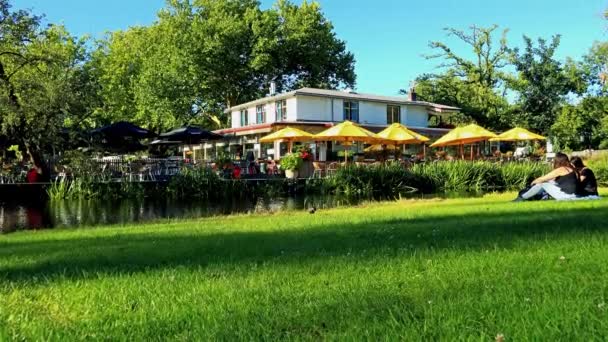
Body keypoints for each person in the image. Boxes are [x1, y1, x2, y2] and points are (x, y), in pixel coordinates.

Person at [513, 152, 578, 202]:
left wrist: (533, 183)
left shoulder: (561, 169)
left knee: (542, 185)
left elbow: (543, 178)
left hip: (565, 196)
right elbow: (554, 181)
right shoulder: (571, 169)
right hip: (573, 195)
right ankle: (532, 196)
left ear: (558, 161)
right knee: (549, 183)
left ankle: (521, 198)